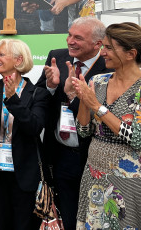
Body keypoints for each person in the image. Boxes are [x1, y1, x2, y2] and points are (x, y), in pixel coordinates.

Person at [36, 16, 111, 230]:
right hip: (60, 155)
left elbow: (102, 114)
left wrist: (72, 96)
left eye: (78, 38)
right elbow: (39, 96)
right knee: (68, 216)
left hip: (93, 157)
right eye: (69, 35)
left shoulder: (109, 67)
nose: (70, 41)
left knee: (96, 218)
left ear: (97, 44)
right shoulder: (57, 57)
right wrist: (51, 86)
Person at [0, 38, 50, 230]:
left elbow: (34, 127)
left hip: (25, 174)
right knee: (0, 225)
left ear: (18, 60)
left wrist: (13, 99)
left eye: (1, 54)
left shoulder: (37, 93)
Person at [73, 22, 141, 229]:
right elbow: (83, 131)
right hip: (94, 175)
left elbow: (136, 138)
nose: (102, 52)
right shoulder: (98, 81)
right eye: (103, 46)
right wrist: (83, 98)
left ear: (131, 54)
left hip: (128, 181)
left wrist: (96, 106)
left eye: (109, 48)